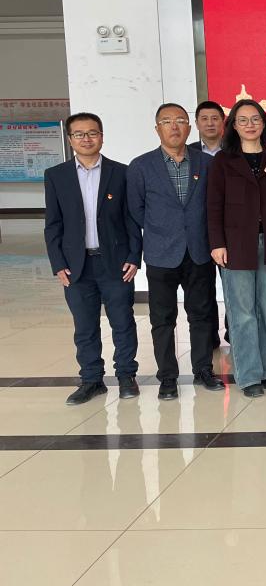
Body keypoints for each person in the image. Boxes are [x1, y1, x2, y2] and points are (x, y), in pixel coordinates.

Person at [127, 103, 224, 400]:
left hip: (199, 251)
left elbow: (214, 205)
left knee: (202, 314)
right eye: (167, 121)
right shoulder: (141, 166)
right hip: (161, 253)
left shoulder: (207, 164)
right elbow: (136, 211)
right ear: (157, 129)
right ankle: (167, 377)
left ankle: (203, 369)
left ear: (189, 127)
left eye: (180, 120)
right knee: (162, 319)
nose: (174, 126)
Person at [44, 113, 141, 405]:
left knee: (122, 322)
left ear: (101, 136)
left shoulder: (121, 173)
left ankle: (126, 375)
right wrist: (58, 263)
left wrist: (134, 256)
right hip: (76, 265)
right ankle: (91, 380)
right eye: (79, 134)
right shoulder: (56, 175)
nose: (86, 139)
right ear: (70, 139)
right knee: (84, 326)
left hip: (115, 263)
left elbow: (132, 220)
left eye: (92, 133)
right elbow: (53, 224)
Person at [207, 100, 266, 398]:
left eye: (255, 119)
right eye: (242, 120)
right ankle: (248, 375)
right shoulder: (223, 161)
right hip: (235, 245)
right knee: (242, 313)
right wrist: (217, 243)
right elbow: (213, 206)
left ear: (264, 123)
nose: (249, 125)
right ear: (233, 125)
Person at [188, 100, 228, 347]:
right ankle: (209, 335)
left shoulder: (234, 151)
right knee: (203, 289)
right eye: (204, 118)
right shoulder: (187, 152)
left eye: (215, 118)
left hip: (229, 231)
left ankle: (233, 331)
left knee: (233, 287)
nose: (210, 123)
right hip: (197, 232)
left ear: (223, 122)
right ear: (196, 123)